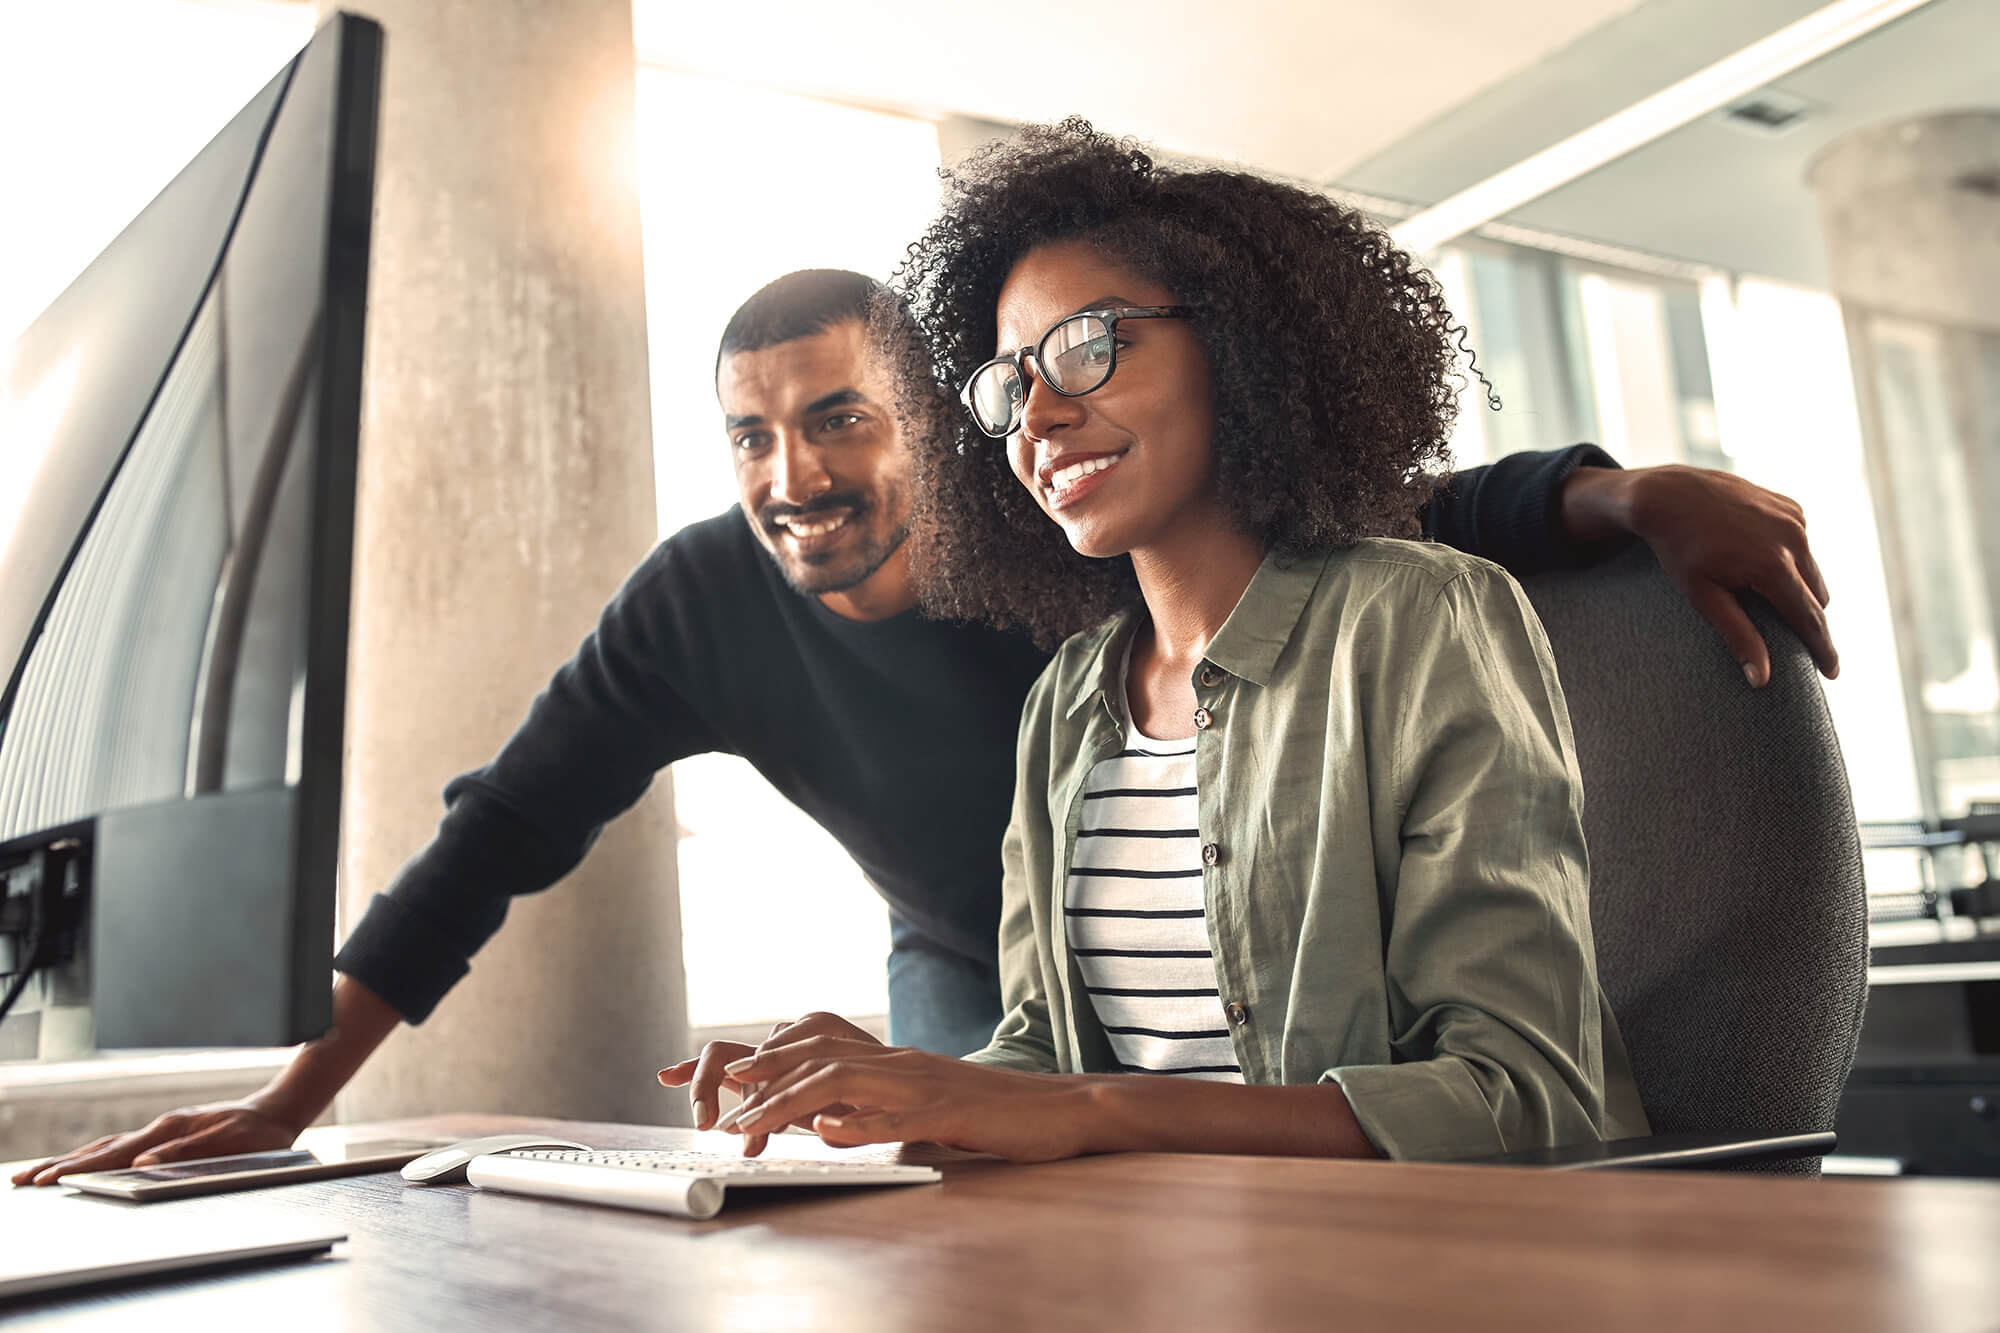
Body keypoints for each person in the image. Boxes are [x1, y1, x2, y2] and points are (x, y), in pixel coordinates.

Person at [17, 244, 1824, 1182]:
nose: (793, 475)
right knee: (939, 1209)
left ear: (930, 423)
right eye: (750, 434)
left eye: (841, 417)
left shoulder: (1048, 523)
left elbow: (1365, 515)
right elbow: (494, 835)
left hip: (1250, 964)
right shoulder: (699, 601)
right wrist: (290, 1098)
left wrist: (1613, 492)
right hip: (993, 970)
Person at [667, 120, 1651, 1162]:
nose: (1037, 415)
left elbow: (1525, 1099)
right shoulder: (1067, 698)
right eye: (1008, 386)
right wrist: (885, 1090)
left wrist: (1098, 1110)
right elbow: (1043, 1057)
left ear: (1236, 342)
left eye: (1088, 346)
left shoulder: (1415, 621)